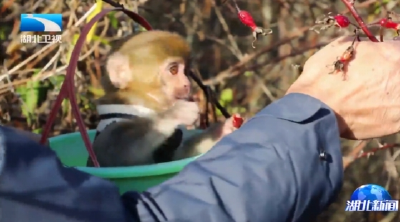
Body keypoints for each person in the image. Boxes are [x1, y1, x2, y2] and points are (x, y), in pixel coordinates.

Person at [0, 36, 399, 222]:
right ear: (122, 74)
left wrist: (216, 139)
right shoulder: (118, 123)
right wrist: (308, 114)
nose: (185, 82)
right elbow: (133, 177)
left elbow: (176, 155)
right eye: (172, 71)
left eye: (185, 71)